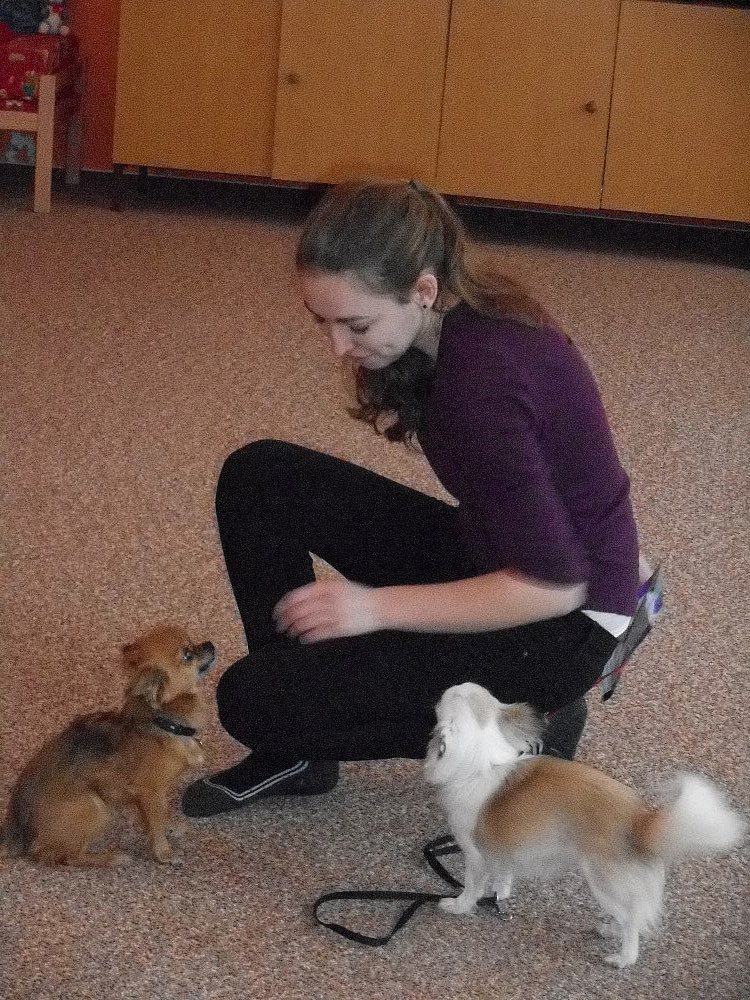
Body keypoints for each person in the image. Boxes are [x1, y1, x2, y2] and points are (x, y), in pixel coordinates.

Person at [182, 179, 661, 818]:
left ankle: (522, 732)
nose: (338, 347)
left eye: (356, 324)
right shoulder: (466, 319)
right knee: (260, 475)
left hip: (558, 627)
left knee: (250, 701)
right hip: (508, 554)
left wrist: (373, 607)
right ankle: (298, 752)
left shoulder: (481, 389)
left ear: (423, 289)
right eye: (324, 322)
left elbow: (556, 586)